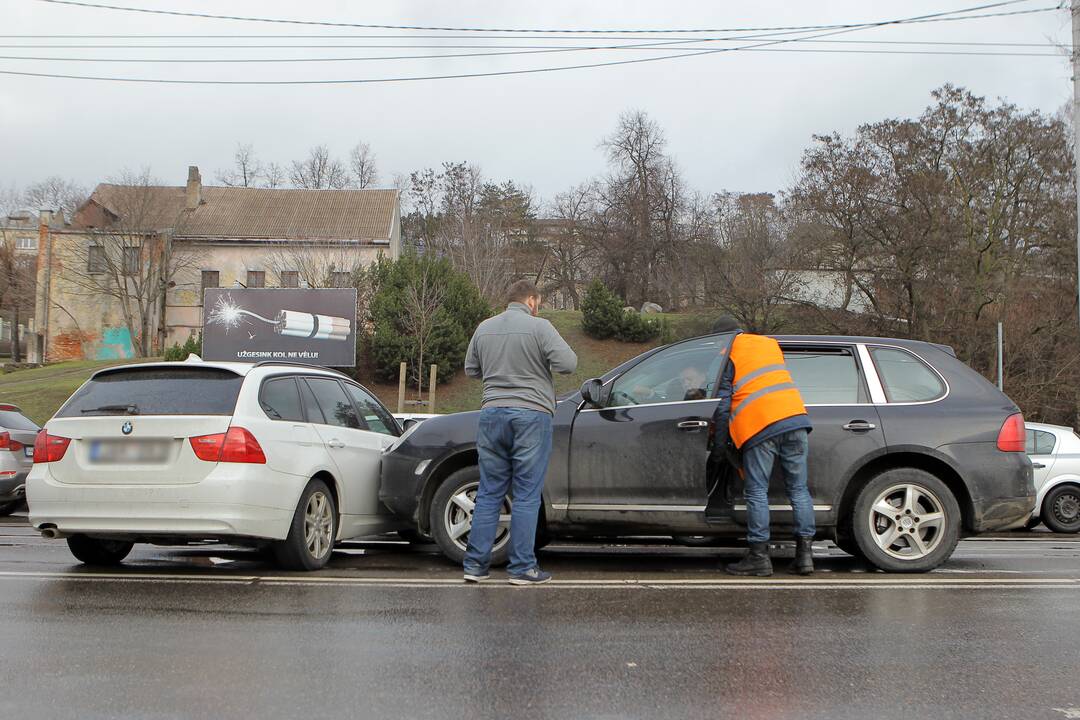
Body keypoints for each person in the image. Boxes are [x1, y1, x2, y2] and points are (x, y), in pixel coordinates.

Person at [461, 280, 578, 585]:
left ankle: (475, 566)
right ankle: (522, 568)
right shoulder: (540, 328)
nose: (538, 307)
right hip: (531, 415)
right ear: (530, 300)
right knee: (526, 494)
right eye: (538, 302)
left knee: (489, 492)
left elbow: (471, 369)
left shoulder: (484, 328)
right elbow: (568, 363)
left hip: (491, 414)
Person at [710, 316, 815, 577]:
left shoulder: (727, 352)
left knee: (756, 491)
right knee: (799, 490)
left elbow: (723, 405)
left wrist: (720, 445)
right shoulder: (768, 344)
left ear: (722, 337)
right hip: (796, 419)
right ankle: (805, 557)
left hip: (761, 425)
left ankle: (759, 557)